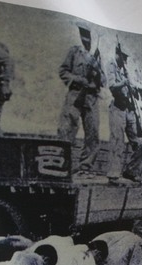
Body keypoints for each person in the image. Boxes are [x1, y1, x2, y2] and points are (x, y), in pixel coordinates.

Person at [58, 25, 105, 174]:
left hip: (91, 97)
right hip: (75, 94)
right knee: (66, 128)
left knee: (93, 132)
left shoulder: (97, 57)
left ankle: (85, 167)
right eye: (84, 36)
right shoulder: (74, 52)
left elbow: (103, 80)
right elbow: (63, 71)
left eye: (89, 37)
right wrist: (79, 80)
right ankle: (63, 165)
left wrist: (97, 73)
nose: (87, 40)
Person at [106, 44, 142, 183]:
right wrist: (124, 82)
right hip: (117, 108)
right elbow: (112, 86)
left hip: (129, 110)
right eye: (123, 57)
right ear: (118, 54)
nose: (125, 60)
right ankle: (113, 174)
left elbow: (132, 87)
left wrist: (135, 89)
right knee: (117, 141)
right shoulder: (111, 66)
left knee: (139, 143)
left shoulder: (125, 70)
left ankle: (131, 171)